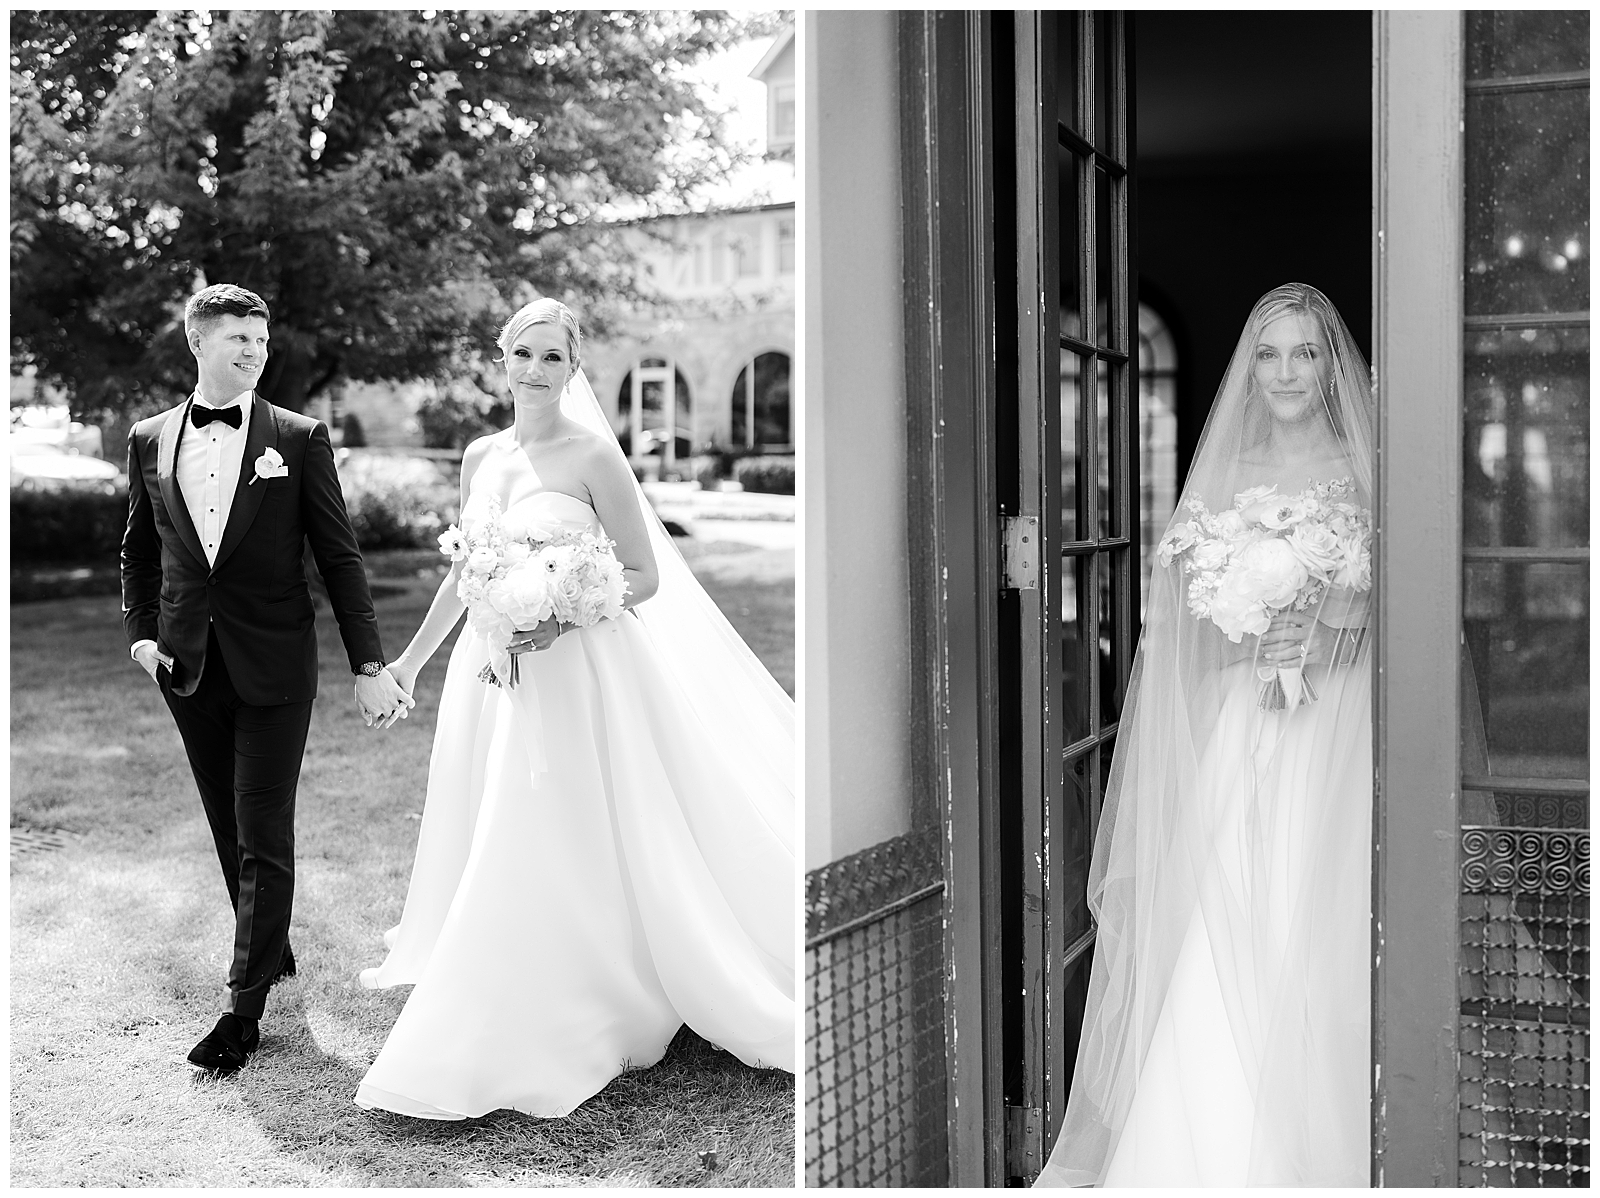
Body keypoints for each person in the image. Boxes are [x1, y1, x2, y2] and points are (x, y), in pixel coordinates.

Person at [354, 298, 794, 1119]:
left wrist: (558, 616)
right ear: (501, 359)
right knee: (502, 820)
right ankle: (518, 957)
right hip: (492, 676)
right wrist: (413, 662)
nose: (535, 371)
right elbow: (466, 573)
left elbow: (645, 574)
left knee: (574, 818)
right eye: (523, 353)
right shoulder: (481, 455)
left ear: (573, 369)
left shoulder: (594, 454)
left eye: (553, 358)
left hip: (579, 670)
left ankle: (596, 977)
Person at [1036, 284, 1375, 1187]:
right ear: (1249, 369)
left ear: (1332, 368)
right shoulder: (1224, 477)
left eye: (1305, 353)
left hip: (1338, 727)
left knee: (1323, 919)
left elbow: (1399, 605)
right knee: (1230, 914)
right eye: (1269, 354)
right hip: (1245, 723)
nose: (1287, 372)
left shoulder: (1366, 464)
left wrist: (1335, 630)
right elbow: (1184, 619)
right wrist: (1249, 617)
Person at [122, 284, 413, 1075]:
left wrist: (368, 664)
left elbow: (339, 556)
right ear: (197, 344)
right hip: (186, 666)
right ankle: (271, 945)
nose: (254, 351)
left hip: (277, 668)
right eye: (237, 340)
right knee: (226, 824)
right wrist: (142, 639)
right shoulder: (149, 438)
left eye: (261, 338)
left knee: (263, 833)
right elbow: (140, 550)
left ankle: (242, 1012)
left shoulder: (299, 436)